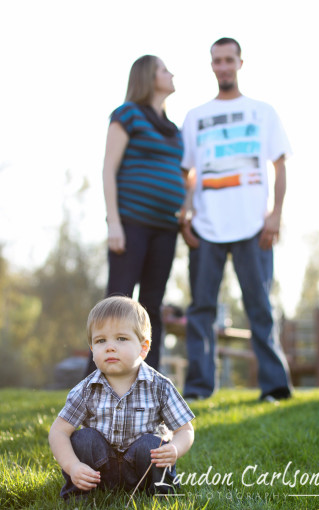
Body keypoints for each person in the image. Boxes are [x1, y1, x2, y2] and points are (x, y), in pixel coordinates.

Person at [180, 37, 293, 403]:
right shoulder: (195, 117)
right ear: (211, 65)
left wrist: (275, 214)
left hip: (253, 227)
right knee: (201, 310)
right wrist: (186, 213)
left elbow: (279, 164)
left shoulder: (263, 111)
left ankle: (274, 388)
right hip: (207, 229)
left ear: (240, 63)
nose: (223, 67)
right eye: (217, 61)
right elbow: (188, 172)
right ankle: (198, 390)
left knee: (260, 306)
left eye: (229, 60)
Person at [84, 54, 185, 377]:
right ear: (147, 77)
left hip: (166, 227)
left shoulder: (174, 129)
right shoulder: (127, 115)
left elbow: (185, 175)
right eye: (164, 70)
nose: (171, 75)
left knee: (152, 305)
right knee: (116, 303)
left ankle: (145, 382)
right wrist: (113, 221)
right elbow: (108, 168)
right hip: (130, 223)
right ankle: (94, 383)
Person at [49, 296, 195, 502]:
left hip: (141, 471)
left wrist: (175, 448)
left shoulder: (160, 386)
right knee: (84, 439)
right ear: (92, 350)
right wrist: (73, 465)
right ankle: (78, 496)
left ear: (143, 348)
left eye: (121, 339)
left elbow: (185, 430)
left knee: (152, 444)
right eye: (101, 341)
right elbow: (58, 432)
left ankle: (161, 495)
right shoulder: (85, 389)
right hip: (97, 474)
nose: (110, 347)